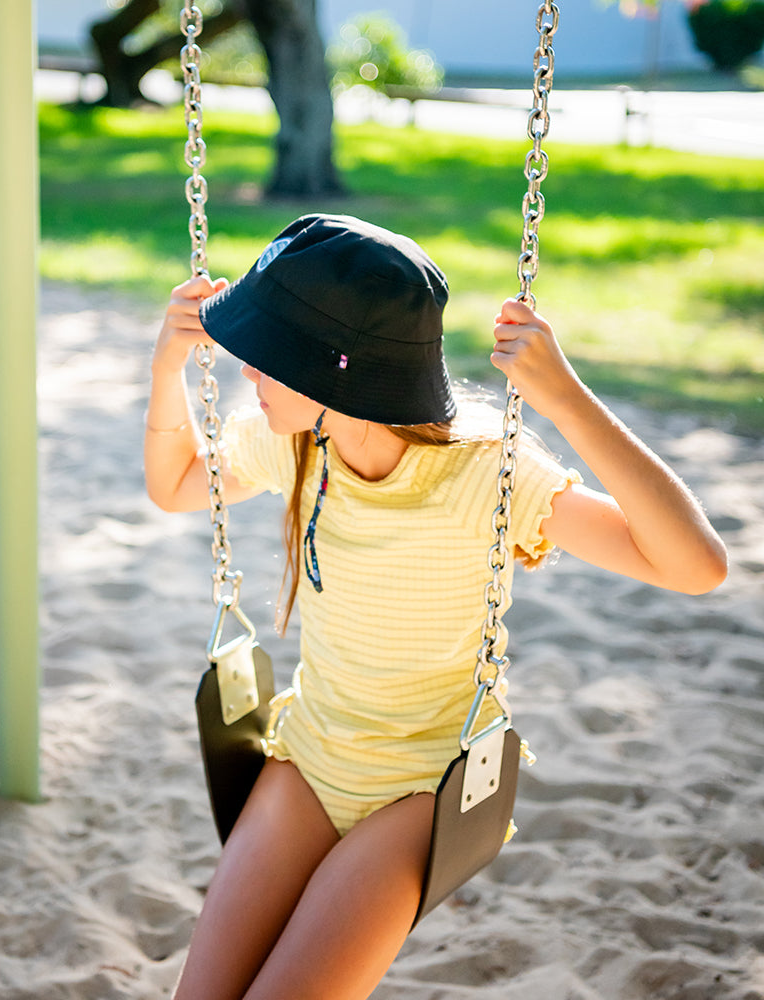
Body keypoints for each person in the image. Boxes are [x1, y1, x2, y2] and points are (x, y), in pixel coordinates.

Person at [144, 214, 727, 1000]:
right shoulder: (295, 443)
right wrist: (167, 364)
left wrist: (566, 399)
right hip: (310, 762)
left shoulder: (485, 474)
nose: (246, 369)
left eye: (266, 355)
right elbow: (177, 485)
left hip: (421, 793)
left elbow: (695, 566)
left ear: (333, 372)